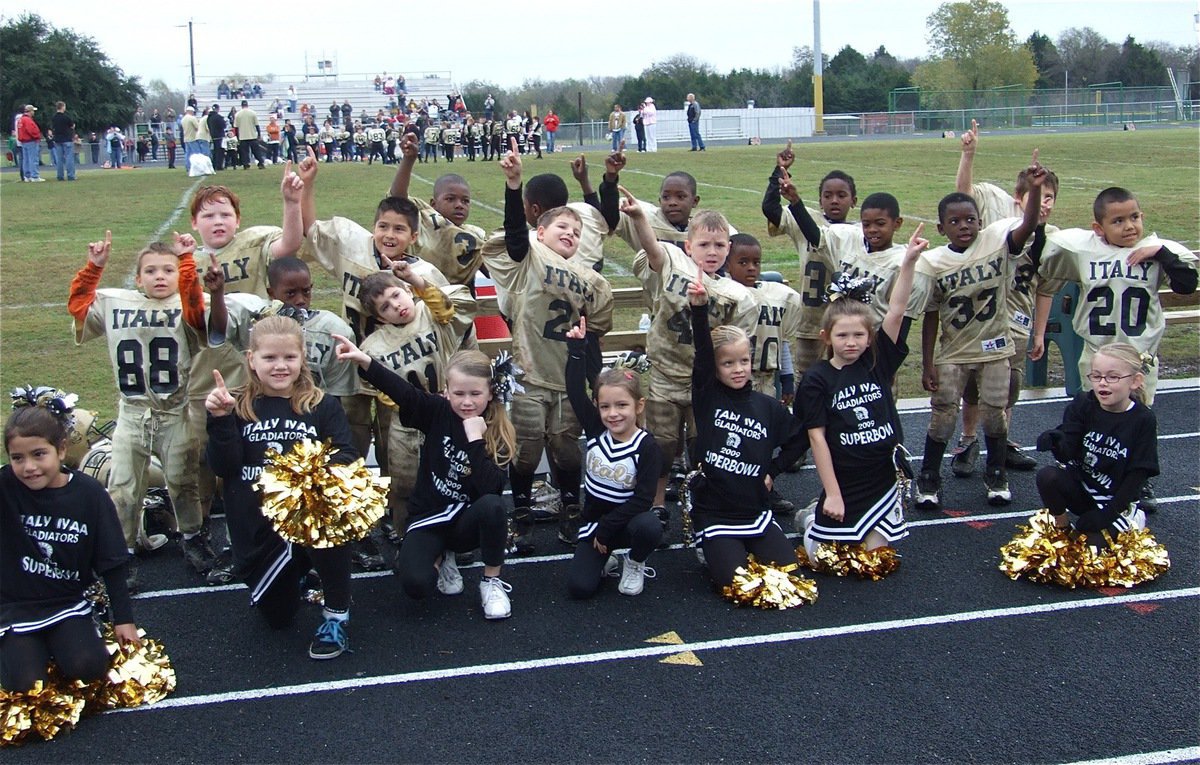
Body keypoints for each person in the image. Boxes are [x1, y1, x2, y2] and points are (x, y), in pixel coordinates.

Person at [68, 231, 227, 590]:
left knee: (182, 483)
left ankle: (193, 539)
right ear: (137, 279)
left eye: (168, 271)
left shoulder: (186, 306)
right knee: (122, 487)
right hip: (132, 412)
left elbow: (196, 312)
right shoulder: (116, 302)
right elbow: (78, 307)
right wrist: (94, 269)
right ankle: (120, 554)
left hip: (175, 414)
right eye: (151, 271)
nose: (159, 276)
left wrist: (187, 262)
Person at [482, 143, 615, 551]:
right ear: (540, 231)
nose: (570, 235)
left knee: (567, 449)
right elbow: (516, 241)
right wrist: (512, 185)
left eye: (575, 233)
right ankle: (520, 508)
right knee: (524, 451)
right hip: (529, 371)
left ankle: (571, 504)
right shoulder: (529, 257)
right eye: (561, 229)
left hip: (568, 376)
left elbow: (598, 329)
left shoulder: (590, 279)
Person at [205, 316, 357, 659]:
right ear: (251, 359)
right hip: (258, 531)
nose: (280, 366)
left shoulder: (321, 405)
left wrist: (308, 479)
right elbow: (223, 467)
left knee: (329, 521)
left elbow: (347, 455)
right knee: (278, 618)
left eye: (289, 357)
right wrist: (220, 422)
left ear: (303, 357)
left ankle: (336, 612)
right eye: (270, 358)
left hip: (308, 522)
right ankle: (299, 572)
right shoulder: (235, 405)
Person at [334, 338, 518, 620]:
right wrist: (364, 361)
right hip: (430, 517)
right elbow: (404, 393)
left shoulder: (498, 431)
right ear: (446, 392)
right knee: (416, 585)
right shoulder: (437, 411)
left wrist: (474, 441)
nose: (466, 402)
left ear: (490, 393)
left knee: (494, 505)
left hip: (467, 521)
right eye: (458, 393)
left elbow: (491, 488)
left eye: (475, 394)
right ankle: (442, 557)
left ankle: (491, 580)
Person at [916, 152, 1047, 511]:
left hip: (995, 349)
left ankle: (996, 472)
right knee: (942, 416)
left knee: (994, 414)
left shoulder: (996, 242)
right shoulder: (934, 261)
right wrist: (927, 362)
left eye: (970, 219)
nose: (965, 226)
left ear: (980, 220)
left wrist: (1034, 192)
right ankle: (928, 477)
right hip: (954, 351)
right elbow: (930, 315)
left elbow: (1029, 224)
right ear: (941, 227)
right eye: (955, 221)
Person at [622, 190, 758, 532]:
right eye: (704, 245)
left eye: (719, 246)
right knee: (662, 445)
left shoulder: (739, 295)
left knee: (705, 445)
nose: (711, 252)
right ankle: (655, 502)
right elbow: (653, 250)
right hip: (666, 372)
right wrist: (639, 217)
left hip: (705, 381)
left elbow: (736, 349)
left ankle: (703, 500)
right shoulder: (673, 261)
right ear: (688, 246)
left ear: (728, 248)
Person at [796, 224, 928, 562]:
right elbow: (818, 439)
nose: (851, 342)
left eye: (858, 335)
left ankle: (852, 519)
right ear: (827, 337)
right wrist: (834, 495)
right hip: (844, 478)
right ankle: (813, 517)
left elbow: (896, 310)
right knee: (825, 562)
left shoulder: (877, 362)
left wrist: (909, 261)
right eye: (842, 336)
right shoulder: (817, 379)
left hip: (881, 477)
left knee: (877, 561)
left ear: (870, 337)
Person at [1, 397, 142, 693]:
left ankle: (57, 645)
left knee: (88, 667)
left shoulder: (89, 494)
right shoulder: (4, 487)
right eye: (17, 458)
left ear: (62, 449)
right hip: (14, 608)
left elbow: (113, 562)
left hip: (66, 603)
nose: (29, 467)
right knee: (26, 686)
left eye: (39, 454)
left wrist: (124, 620)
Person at [685, 279, 808, 588]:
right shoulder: (707, 396)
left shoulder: (768, 407)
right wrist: (699, 309)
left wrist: (773, 471)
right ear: (715, 368)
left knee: (788, 576)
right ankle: (710, 546)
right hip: (715, 512)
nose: (738, 369)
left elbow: (800, 440)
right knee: (737, 583)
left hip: (754, 509)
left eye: (743, 361)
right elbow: (702, 351)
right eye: (728, 363)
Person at [951, 120, 1056, 477]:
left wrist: (1040, 332)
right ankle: (967, 439)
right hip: (982, 314)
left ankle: (1003, 440)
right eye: (1039, 197)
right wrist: (968, 154)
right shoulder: (1003, 222)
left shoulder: (1052, 237)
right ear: (1019, 199)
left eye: (1050, 198)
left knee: (1009, 384)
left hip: (1018, 318)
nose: (1044, 205)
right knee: (971, 382)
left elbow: (1045, 288)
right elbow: (963, 196)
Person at [1032, 187, 1197, 407]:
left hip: (1139, 356)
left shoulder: (1154, 251)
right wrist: (1039, 225)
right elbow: (1039, 259)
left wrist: (1161, 254)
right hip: (1097, 355)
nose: (1129, 226)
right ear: (1099, 229)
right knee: (1098, 420)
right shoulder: (1084, 250)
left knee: (1137, 423)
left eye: (1134, 217)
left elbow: (1186, 286)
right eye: (1118, 221)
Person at [356, 266, 476, 537]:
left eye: (397, 295)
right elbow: (382, 391)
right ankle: (406, 536)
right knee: (404, 488)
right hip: (408, 422)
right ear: (379, 318)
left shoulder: (432, 312)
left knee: (457, 478)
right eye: (385, 307)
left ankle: (456, 538)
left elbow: (446, 307)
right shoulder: (374, 347)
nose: (396, 306)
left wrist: (415, 278)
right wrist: (415, 404)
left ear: (408, 290)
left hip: (450, 413)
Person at [563, 318, 663, 598]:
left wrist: (608, 530)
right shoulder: (596, 430)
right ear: (596, 406)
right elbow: (574, 390)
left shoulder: (647, 446)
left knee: (650, 526)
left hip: (628, 523)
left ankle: (635, 561)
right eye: (605, 406)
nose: (613, 414)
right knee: (580, 589)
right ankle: (603, 559)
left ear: (638, 405)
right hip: (595, 523)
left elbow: (643, 500)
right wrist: (576, 350)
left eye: (622, 405)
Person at [1033, 343, 1158, 538]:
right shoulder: (1083, 404)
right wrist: (1057, 443)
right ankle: (1062, 529)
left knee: (1096, 556)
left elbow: (1139, 472)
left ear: (1135, 381)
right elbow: (1068, 454)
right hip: (1084, 489)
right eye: (1097, 376)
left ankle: (1131, 520)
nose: (1102, 383)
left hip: (1117, 500)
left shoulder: (1142, 419)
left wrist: (1109, 513)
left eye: (1113, 377)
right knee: (1047, 476)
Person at [724, 233, 802, 516]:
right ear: (727, 263)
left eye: (756, 262)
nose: (751, 268)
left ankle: (764, 485)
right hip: (731, 380)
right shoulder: (722, 294)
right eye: (742, 262)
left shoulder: (776, 295)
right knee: (732, 438)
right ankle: (733, 489)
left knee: (762, 437)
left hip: (765, 378)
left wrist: (788, 377)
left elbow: (781, 341)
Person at [388, 133, 487, 289]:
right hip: (419, 297)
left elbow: (492, 271)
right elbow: (397, 198)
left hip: (457, 304)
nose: (459, 205)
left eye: (465, 201)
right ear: (433, 204)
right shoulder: (422, 221)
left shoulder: (474, 235)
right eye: (450, 199)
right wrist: (408, 160)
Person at [17, 105, 43, 182]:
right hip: (30, 141)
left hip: (24, 141)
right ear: (30, 111)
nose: (33, 112)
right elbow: (31, 130)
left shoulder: (21, 119)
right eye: (33, 111)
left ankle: (27, 176)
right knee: (33, 159)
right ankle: (34, 176)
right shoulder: (28, 120)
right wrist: (37, 136)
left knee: (26, 160)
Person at [234, 100, 263, 169]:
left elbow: (236, 127)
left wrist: (237, 137)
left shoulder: (237, 114)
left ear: (241, 106)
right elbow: (257, 125)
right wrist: (259, 134)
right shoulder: (253, 113)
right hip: (252, 136)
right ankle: (260, 163)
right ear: (247, 105)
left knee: (244, 152)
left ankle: (246, 164)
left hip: (242, 136)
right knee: (256, 151)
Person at [51, 101, 76, 181]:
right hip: (67, 139)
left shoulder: (54, 118)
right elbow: (72, 126)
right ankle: (70, 175)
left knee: (59, 159)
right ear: (62, 107)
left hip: (58, 140)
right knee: (69, 158)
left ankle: (60, 176)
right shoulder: (66, 117)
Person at [207, 105, 227, 171]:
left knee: (215, 152)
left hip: (213, 136)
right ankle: (219, 166)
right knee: (220, 152)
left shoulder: (209, 118)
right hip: (219, 136)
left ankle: (214, 165)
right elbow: (223, 126)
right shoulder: (218, 117)